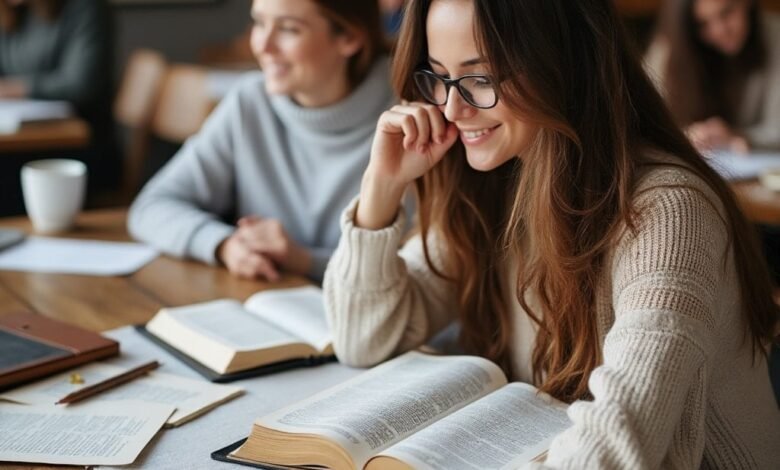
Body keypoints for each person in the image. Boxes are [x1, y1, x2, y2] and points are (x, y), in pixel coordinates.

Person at [324, 0, 780, 467]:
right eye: (439, 78)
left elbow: (619, 444)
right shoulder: (497, 183)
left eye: (480, 79)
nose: (452, 108)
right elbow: (363, 337)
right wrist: (381, 188)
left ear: (561, 66)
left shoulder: (669, 212)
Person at [128, 0, 392, 283]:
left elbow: (423, 277)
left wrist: (303, 260)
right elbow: (151, 206)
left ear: (349, 37)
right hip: (267, 306)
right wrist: (224, 245)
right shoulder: (250, 102)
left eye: (289, 29)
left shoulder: (408, 121)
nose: (262, 46)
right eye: (259, 23)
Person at [0, 0, 115, 213]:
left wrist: (15, 88)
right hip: (20, 140)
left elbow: (82, 84)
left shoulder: (84, 8)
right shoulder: (10, 13)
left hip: (79, 148)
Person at [646, 0, 780, 153]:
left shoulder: (776, 37)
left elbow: (777, 129)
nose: (720, 30)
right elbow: (649, 123)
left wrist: (736, 136)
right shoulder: (671, 48)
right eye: (702, 23)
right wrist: (688, 135)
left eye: (726, 13)